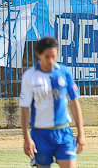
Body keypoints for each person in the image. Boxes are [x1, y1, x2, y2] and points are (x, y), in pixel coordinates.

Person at [19, 37, 85, 168]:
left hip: (63, 132)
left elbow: (74, 103)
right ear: (39, 55)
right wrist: (27, 138)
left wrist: (81, 133)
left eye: (53, 56)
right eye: (47, 57)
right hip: (40, 134)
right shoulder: (29, 76)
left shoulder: (64, 72)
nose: (50, 61)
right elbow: (24, 108)